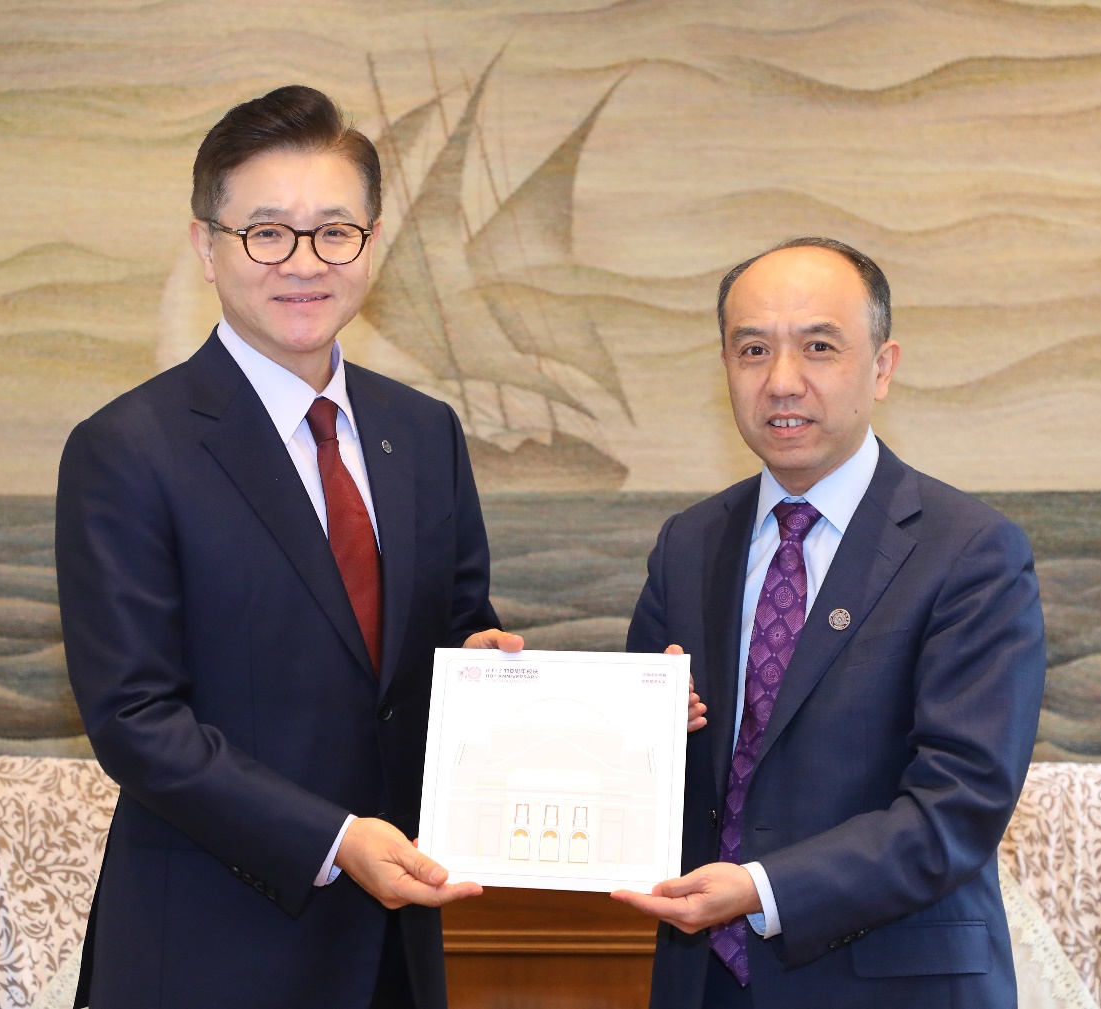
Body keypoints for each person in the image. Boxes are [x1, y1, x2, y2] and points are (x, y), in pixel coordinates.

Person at [55, 85, 521, 1009]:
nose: (304, 262)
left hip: (392, 953)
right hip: (210, 950)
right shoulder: (127, 448)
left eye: (334, 231)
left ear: (371, 244)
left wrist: (513, 680)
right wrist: (336, 838)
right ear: (207, 246)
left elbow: (453, 632)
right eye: (267, 232)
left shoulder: (423, 431)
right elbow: (136, 719)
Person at [612, 237, 1045, 1007]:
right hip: (703, 982)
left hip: (890, 984)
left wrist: (760, 887)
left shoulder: (970, 550)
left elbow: (959, 804)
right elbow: (638, 771)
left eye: (818, 346)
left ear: (881, 367)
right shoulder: (688, 543)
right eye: (752, 350)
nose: (781, 381)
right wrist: (587, 717)